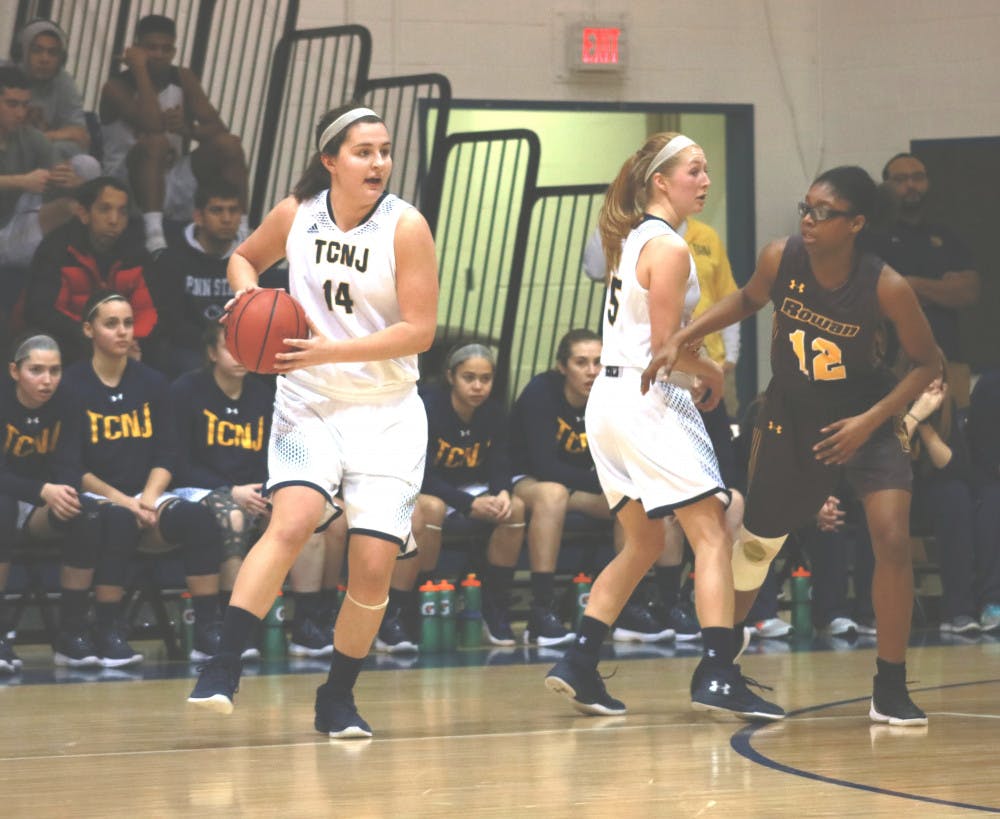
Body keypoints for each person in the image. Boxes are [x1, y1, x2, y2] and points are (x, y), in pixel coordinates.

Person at [644, 165, 941, 726]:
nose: (808, 219)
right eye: (806, 208)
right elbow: (747, 299)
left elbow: (929, 363)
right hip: (791, 418)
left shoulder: (886, 285)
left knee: (893, 539)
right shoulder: (781, 256)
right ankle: (719, 668)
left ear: (855, 223)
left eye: (822, 213)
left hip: (867, 418)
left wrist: (870, 421)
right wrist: (685, 334)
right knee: (758, 544)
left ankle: (890, 686)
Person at [186, 103, 438, 741]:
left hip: (387, 411)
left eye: (384, 151)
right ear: (330, 160)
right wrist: (248, 298)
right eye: (363, 151)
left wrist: (332, 349)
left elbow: (421, 331)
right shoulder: (297, 213)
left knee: (373, 565)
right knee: (293, 520)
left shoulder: (406, 225)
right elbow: (243, 259)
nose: (378, 162)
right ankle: (223, 664)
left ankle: (337, 697)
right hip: (309, 401)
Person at [545, 132, 783, 721]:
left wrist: (691, 365)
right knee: (712, 533)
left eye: (705, 170)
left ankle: (578, 660)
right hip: (647, 398)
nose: (705, 181)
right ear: (660, 181)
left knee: (647, 540)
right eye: (694, 171)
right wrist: (713, 370)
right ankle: (718, 672)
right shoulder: (670, 247)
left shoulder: (629, 238)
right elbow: (663, 347)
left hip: (608, 401)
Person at [57, 291, 224, 666]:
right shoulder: (71, 385)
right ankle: (106, 628)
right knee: (117, 519)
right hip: (98, 496)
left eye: (128, 323)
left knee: (198, 519)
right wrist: (126, 502)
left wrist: (147, 498)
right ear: (88, 330)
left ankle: (208, 630)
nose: (122, 331)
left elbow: (168, 454)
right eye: (111, 324)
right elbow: (71, 466)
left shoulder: (153, 382)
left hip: (146, 495)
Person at [170, 323, 347, 659]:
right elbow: (178, 462)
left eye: (243, 347)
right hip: (199, 489)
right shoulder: (186, 391)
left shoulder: (264, 395)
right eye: (228, 348)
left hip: (256, 492)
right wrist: (229, 490)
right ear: (211, 353)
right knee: (233, 517)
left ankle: (307, 622)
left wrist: (271, 488)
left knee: (310, 518)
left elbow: (279, 454)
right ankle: (230, 629)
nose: (237, 356)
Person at [377, 343, 526, 652]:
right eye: (469, 378)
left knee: (515, 509)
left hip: (470, 489)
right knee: (431, 510)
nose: (478, 386)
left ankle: (493, 608)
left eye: (485, 379)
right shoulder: (428, 409)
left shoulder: (494, 412)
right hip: (428, 488)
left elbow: (501, 461)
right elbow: (423, 474)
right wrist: (468, 504)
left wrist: (502, 492)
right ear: (450, 377)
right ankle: (414, 605)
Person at [99, 14, 249, 255]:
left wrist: (188, 130)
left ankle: (242, 230)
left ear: (174, 51)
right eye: (151, 48)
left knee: (229, 145)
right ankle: (154, 235)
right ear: (137, 50)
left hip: (171, 177)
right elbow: (152, 125)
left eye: (166, 49)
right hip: (125, 183)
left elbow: (219, 128)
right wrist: (140, 70)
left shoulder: (183, 77)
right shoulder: (116, 86)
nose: (159, 55)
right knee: (155, 142)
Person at [0, 333, 106, 671]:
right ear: (14, 371)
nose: (47, 380)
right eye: (36, 370)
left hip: (39, 507)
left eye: (54, 371)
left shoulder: (68, 402)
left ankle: (71, 634)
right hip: (12, 498)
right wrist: (42, 490)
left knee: (85, 511)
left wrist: (63, 492)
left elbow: (70, 465)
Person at [23, 176, 163, 365]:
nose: (114, 220)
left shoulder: (137, 254)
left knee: (160, 353)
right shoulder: (57, 250)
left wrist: (126, 339)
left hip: (123, 344)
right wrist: (97, 338)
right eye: (105, 209)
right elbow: (43, 312)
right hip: (73, 343)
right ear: (84, 213)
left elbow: (148, 311)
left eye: (122, 212)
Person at [876, 153, 978, 403]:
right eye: (901, 179)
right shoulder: (872, 235)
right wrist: (941, 289)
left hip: (948, 361)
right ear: (886, 186)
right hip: (891, 365)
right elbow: (875, 295)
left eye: (918, 177)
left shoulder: (946, 234)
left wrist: (910, 285)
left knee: (953, 427)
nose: (911, 185)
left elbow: (968, 292)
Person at [0, 65, 94, 276]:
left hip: (16, 223)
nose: (20, 113)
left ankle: (83, 270)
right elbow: (24, 182)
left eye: (25, 105)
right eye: (12, 104)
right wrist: (22, 181)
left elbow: (60, 171)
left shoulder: (28, 136)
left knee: (85, 170)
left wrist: (73, 182)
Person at [905, 373, 980, 634]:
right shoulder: (888, 403)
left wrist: (925, 425)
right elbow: (886, 454)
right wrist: (914, 415)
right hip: (892, 492)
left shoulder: (948, 411)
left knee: (956, 495)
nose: (932, 385)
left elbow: (953, 466)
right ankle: (869, 613)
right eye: (925, 376)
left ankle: (958, 611)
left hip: (929, 498)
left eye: (938, 379)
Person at [154, 181, 243, 375]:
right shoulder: (172, 259)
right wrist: (214, 346)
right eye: (217, 211)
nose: (227, 219)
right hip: (189, 348)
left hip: (239, 346)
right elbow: (170, 321)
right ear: (198, 217)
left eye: (233, 210)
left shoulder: (250, 259)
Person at [7, 19, 97, 162]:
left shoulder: (64, 82)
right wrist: (52, 136)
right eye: (37, 50)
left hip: (46, 155)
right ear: (22, 52)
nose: (45, 59)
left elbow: (80, 136)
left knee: (86, 163)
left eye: (52, 53)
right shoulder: (4, 75)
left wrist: (40, 141)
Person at [967, 366, 1000, 632]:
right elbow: (983, 448)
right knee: (994, 502)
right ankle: (992, 602)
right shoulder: (991, 385)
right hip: (990, 477)